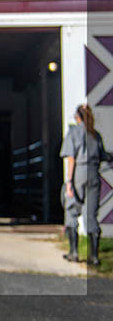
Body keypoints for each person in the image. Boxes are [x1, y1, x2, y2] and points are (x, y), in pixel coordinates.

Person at [60, 104, 113, 266]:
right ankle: (94, 257)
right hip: (94, 175)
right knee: (91, 215)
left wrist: (69, 182)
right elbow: (104, 155)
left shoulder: (74, 132)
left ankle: (74, 252)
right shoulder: (95, 135)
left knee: (71, 210)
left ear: (77, 117)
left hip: (79, 174)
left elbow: (71, 158)